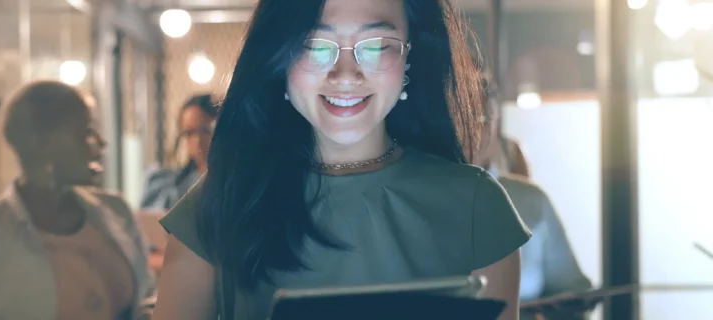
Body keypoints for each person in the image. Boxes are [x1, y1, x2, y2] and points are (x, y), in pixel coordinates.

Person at [152, 0, 530, 319]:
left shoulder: (478, 207)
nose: (345, 75)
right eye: (315, 45)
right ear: (279, 57)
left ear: (411, 54)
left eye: (377, 44)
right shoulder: (217, 203)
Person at [0, 81, 155, 320]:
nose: (100, 144)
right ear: (40, 144)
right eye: (84, 132)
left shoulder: (116, 212)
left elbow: (148, 298)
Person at [477, 78, 592, 319]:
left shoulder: (531, 200)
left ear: (496, 122)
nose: (477, 131)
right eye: (464, 119)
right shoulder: (420, 195)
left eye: (485, 119)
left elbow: (570, 289)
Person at [140, 94, 220, 211]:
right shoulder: (169, 186)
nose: (198, 140)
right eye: (189, 133)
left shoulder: (235, 183)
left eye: (206, 130)